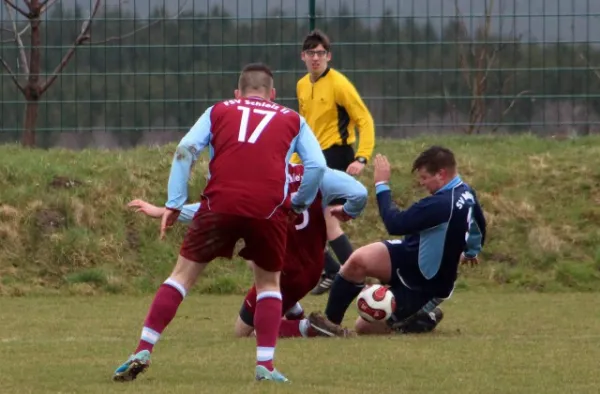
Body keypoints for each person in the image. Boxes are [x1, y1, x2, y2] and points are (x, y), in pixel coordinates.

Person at [112, 63, 327, 384]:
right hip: (268, 209)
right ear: (273, 94)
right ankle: (265, 366)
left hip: (219, 204)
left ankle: (143, 349)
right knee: (269, 284)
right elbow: (318, 167)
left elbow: (185, 149)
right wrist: (298, 203)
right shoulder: (292, 118)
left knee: (181, 277)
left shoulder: (218, 110)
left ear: (237, 93)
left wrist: (173, 202)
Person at [125, 162, 368, 339]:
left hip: (283, 271)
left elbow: (212, 208)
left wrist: (165, 210)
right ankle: (295, 313)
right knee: (252, 256)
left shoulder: (263, 182)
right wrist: (348, 212)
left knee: (245, 332)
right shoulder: (317, 175)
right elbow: (359, 193)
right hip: (312, 268)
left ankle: (310, 328)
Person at [319, 146, 487, 336]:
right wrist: (472, 250)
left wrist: (382, 184)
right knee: (358, 261)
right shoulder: (466, 192)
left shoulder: (441, 205)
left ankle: (421, 319)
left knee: (364, 328)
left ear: (441, 174)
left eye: (424, 178)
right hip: (410, 254)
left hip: (425, 286)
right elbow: (477, 225)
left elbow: (395, 224)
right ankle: (329, 325)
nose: (422, 184)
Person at [295, 29, 376, 295]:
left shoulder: (339, 84)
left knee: (325, 219)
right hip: (313, 159)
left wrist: (362, 156)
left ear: (328, 56)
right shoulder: (302, 85)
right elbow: (305, 127)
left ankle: (349, 274)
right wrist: (294, 159)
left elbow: (364, 119)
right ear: (303, 57)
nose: (315, 58)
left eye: (320, 53)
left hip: (337, 155)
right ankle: (337, 271)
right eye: (311, 53)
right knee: (314, 219)